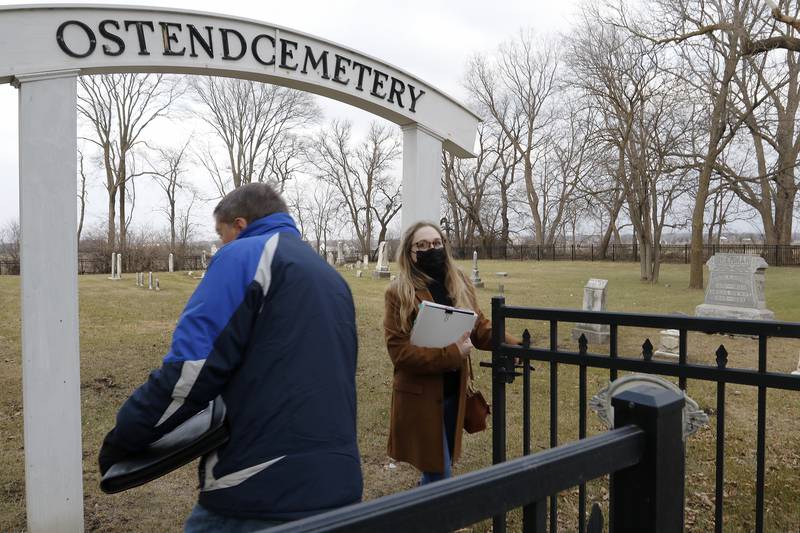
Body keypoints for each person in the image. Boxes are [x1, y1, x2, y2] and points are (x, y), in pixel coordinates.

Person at [98, 183, 362, 531]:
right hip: (338, 482)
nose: (220, 246)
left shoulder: (245, 255)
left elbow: (190, 372)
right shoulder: (330, 277)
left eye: (221, 235)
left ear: (239, 225)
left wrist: (124, 439)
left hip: (258, 486)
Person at [383, 221, 519, 484]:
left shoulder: (459, 282)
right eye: (421, 245)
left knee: (437, 469)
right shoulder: (398, 292)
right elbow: (399, 353)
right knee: (439, 473)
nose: (430, 249)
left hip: (453, 394)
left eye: (436, 243)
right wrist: (453, 354)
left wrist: (515, 344)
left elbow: (479, 327)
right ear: (409, 253)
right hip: (420, 397)